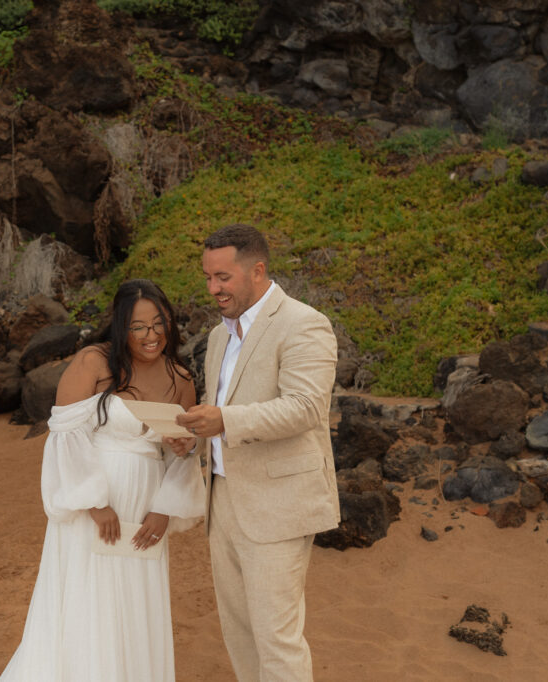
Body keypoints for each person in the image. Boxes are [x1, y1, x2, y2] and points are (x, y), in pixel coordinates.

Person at [0, 279, 205, 682]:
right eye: (139, 327)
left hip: (146, 511)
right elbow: (64, 436)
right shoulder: (94, 362)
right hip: (91, 507)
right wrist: (95, 502)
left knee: (134, 603)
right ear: (121, 326)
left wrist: (166, 507)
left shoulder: (180, 378)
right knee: (87, 601)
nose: (151, 336)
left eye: (159, 323)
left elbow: (185, 453)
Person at [174, 223, 340, 681]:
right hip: (223, 499)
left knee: (276, 639)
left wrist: (224, 421)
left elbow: (306, 408)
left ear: (257, 270)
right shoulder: (219, 337)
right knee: (240, 633)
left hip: (278, 504)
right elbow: (221, 415)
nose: (213, 288)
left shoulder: (304, 323)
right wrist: (195, 435)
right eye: (208, 277)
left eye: (223, 277)